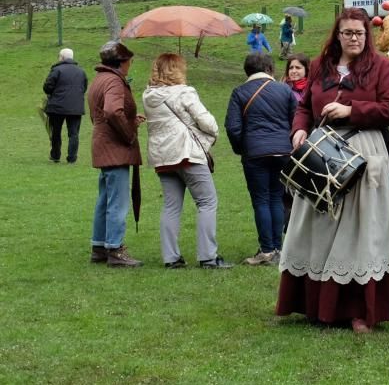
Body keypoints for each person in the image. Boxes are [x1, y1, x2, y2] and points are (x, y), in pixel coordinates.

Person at [277, 7, 389, 334]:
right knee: (315, 227)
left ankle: (360, 309)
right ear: (338, 34)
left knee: (360, 232)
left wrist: (351, 109)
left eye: (360, 33)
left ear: (367, 35)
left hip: (364, 154)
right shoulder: (320, 68)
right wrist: (299, 130)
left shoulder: (382, 68)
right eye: (348, 33)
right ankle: (314, 304)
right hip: (321, 155)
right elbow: (304, 107)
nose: (354, 38)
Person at [143, 53, 231, 269]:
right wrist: (213, 132)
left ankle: (171, 257)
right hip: (186, 153)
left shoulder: (148, 96)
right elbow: (207, 122)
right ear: (177, 70)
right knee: (207, 202)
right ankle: (208, 256)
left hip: (163, 157)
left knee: (171, 206)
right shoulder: (185, 93)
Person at [225, 52, 299, 266]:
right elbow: (295, 121)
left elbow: (233, 127)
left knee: (261, 199)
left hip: (255, 152)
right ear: (270, 69)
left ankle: (266, 249)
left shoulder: (239, 92)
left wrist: (242, 148)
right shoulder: (285, 90)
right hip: (283, 151)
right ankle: (278, 248)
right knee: (277, 197)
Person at [88, 40, 144, 268]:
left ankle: (99, 247)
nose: (130, 64)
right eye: (129, 61)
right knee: (117, 202)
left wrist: (130, 120)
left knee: (105, 199)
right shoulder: (113, 80)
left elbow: (99, 114)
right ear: (122, 62)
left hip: (103, 144)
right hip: (115, 148)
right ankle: (115, 249)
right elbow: (111, 111)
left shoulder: (100, 78)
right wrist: (129, 133)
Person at [43, 47, 88, 164]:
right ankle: (72, 158)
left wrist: (52, 94)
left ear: (61, 57)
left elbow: (47, 87)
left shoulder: (57, 70)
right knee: (74, 133)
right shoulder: (81, 71)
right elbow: (84, 87)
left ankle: (55, 155)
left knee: (56, 132)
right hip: (75, 107)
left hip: (57, 106)